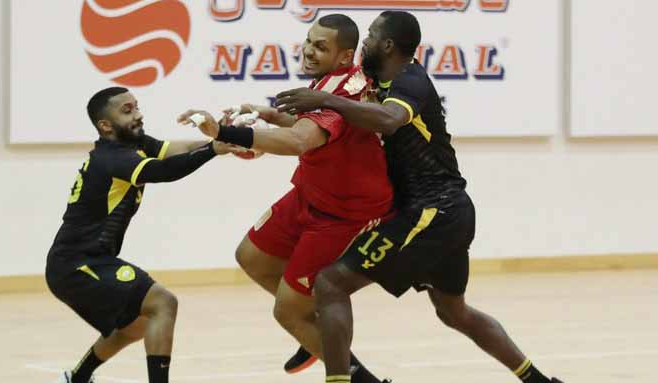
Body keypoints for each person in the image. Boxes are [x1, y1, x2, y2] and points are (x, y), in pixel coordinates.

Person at [274, 11, 565, 383]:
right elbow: (348, 121)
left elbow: (388, 120)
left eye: (371, 36)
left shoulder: (410, 79)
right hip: (445, 212)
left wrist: (325, 100)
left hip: (433, 211)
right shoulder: (374, 83)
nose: (364, 43)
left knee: (331, 283)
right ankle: (539, 381)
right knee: (453, 312)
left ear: (388, 44)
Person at [181, 14, 392, 383]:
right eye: (310, 41)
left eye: (321, 47)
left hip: (343, 215)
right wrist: (269, 116)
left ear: (344, 56)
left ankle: (360, 376)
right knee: (252, 256)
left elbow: (301, 140)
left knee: (287, 312)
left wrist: (226, 132)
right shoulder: (333, 80)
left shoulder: (344, 90)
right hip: (310, 195)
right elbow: (307, 127)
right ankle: (316, 331)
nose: (310, 51)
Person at [46, 87, 237, 383]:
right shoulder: (113, 158)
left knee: (135, 325)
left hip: (88, 261)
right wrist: (213, 150)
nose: (138, 114)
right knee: (163, 303)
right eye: (127, 110)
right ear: (105, 125)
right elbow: (165, 171)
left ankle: (77, 378)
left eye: (136, 106)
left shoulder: (134, 144)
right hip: (76, 265)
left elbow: (178, 152)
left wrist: (220, 137)